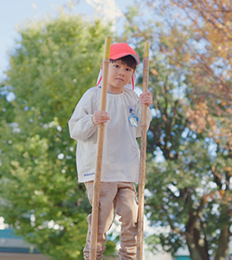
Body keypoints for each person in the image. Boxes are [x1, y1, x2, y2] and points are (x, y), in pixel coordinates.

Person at [68, 42, 152, 260]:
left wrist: (145, 108)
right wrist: (92, 120)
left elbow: (138, 130)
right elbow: (75, 128)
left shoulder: (132, 98)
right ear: (105, 67)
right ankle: (93, 257)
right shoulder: (93, 96)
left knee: (132, 215)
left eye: (128, 69)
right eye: (117, 66)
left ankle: (130, 257)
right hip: (100, 170)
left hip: (125, 169)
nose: (121, 73)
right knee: (101, 219)